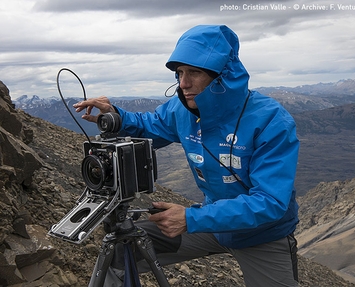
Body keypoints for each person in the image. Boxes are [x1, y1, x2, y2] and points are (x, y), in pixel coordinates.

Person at [74, 24, 300, 287]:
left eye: (194, 72)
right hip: (212, 225)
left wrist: (191, 219)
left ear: (222, 74)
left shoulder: (270, 120)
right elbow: (150, 126)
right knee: (119, 251)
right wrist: (117, 115)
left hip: (262, 235)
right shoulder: (182, 109)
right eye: (180, 73)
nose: (184, 83)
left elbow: (270, 201)